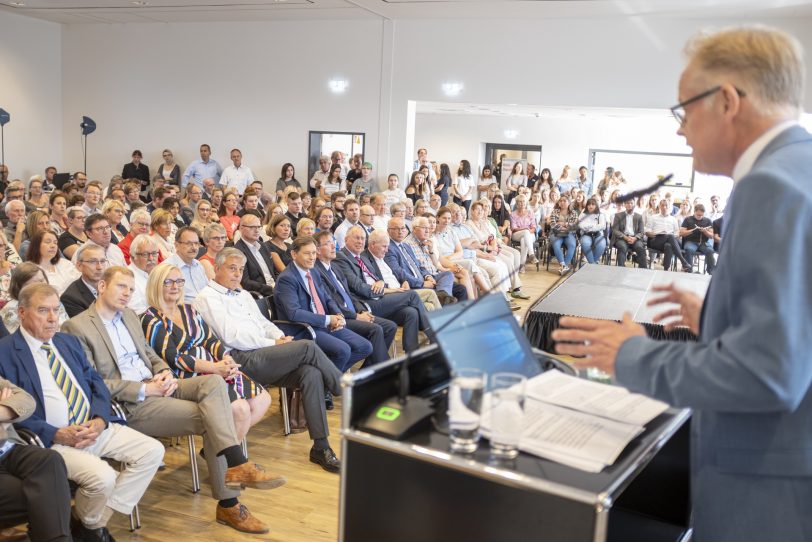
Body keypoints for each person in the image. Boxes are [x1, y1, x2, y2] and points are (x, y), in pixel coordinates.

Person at [553, 27, 812, 542]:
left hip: (766, 490)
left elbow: (768, 376)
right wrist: (718, 317)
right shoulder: (798, 168)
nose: (680, 131)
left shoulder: (769, 185)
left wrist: (631, 354)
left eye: (684, 109)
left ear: (728, 101)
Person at [63, 266, 283, 534]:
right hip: (131, 401)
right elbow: (92, 382)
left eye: (131, 289)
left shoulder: (130, 316)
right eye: (121, 287)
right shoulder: (77, 326)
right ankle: (230, 499)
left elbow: (149, 354)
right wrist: (145, 390)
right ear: (101, 287)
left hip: (159, 385)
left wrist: (163, 371)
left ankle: (236, 466)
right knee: (215, 415)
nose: (127, 294)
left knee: (213, 383)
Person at [1, 283, 164, 542]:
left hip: (93, 426)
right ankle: (92, 530)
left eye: (57, 310)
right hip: (53, 442)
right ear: (21, 312)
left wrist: (100, 419)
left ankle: (88, 525)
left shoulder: (67, 342)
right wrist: (57, 433)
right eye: (43, 311)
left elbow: (96, 382)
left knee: (153, 451)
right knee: (104, 478)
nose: (53, 318)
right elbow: (17, 410)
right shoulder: (6, 352)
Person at [194, 249, 344, 473]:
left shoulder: (243, 294)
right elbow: (231, 336)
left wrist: (278, 337)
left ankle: (321, 447)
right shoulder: (206, 297)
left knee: (310, 373)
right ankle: (345, 389)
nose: (237, 274)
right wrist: (273, 344)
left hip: (263, 355)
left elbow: (264, 323)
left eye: (241, 269)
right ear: (216, 269)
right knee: (307, 347)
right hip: (238, 360)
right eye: (231, 268)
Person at [141, 263, 270, 441]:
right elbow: (173, 357)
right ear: (156, 284)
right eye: (168, 282)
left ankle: (219, 449)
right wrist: (214, 368)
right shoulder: (150, 318)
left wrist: (225, 358)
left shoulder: (189, 309)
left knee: (263, 399)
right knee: (240, 409)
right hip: (187, 376)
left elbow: (210, 339)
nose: (175, 286)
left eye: (179, 281)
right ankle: (232, 460)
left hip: (216, 367)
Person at [274, 235, 373, 375]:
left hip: (323, 324)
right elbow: (294, 313)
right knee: (343, 350)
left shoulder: (313, 271)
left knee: (364, 346)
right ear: (294, 254)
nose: (312, 257)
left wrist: (338, 315)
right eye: (307, 253)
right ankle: (328, 384)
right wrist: (327, 320)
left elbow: (326, 298)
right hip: (303, 329)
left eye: (314, 253)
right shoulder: (287, 279)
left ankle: (324, 381)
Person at [333, 226, 433, 353]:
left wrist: (381, 282)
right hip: (366, 303)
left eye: (363, 238)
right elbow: (359, 287)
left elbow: (377, 278)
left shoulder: (360, 258)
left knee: (411, 312)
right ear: (346, 239)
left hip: (379, 299)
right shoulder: (342, 258)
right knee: (412, 295)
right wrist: (389, 290)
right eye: (357, 238)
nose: (360, 241)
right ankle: (435, 337)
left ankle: (411, 353)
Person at [0, 377, 74, 542]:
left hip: (8, 449)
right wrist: (6, 417)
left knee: (50, 460)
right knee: (47, 496)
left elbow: (26, 400)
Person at [1, 263, 69, 334]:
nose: (40, 286)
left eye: (41, 280)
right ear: (19, 287)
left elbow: (67, 327)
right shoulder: (10, 310)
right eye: (33, 284)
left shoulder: (54, 301)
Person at [60, 243, 108, 318]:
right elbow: (87, 327)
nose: (99, 267)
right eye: (92, 262)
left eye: (102, 261)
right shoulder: (70, 298)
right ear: (79, 266)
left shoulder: (112, 286)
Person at [233, 215, 276, 297]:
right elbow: (245, 282)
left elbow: (274, 271)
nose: (257, 230)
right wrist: (270, 289)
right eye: (252, 227)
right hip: (263, 293)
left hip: (276, 288)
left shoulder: (263, 246)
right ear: (241, 228)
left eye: (258, 227)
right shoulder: (237, 251)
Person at [645, 199, 692, 272]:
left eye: (666, 205)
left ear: (670, 207)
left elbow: (676, 234)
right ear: (659, 206)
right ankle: (683, 261)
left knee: (668, 245)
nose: (664, 207)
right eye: (662, 205)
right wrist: (657, 234)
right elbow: (647, 232)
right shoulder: (653, 217)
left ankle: (666, 269)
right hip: (656, 240)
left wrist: (668, 236)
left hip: (670, 241)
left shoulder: (673, 219)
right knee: (670, 236)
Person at [27, 230, 79, 295]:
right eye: (48, 242)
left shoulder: (65, 263)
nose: (53, 246)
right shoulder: (31, 272)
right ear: (36, 245)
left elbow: (81, 283)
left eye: (55, 243)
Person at [167, 227, 209, 302]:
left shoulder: (198, 265)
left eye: (196, 243)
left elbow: (207, 291)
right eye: (189, 243)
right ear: (176, 245)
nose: (194, 248)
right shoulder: (167, 268)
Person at [680, 202, 716, 274]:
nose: (700, 216)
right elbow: (682, 233)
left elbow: (711, 235)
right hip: (691, 241)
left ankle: (711, 271)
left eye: (701, 215)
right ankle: (689, 270)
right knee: (689, 249)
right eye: (698, 215)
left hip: (703, 242)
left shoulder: (708, 221)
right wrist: (692, 231)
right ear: (694, 212)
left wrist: (705, 231)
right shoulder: (688, 219)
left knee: (710, 251)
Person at [127, 234, 159, 315]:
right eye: (145, 254)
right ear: (133, 256)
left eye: (154, 253)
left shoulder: (158, 273)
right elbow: (137, 314)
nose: (151, 258)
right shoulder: (127, 279)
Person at [611, 198, 647, 268]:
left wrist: (635, 238)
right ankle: (621, 268)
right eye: (627, 203)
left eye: (631, 203)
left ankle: (643, 269)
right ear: (624, 205)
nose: (629, 205)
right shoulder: (618, 215)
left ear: (634, 205)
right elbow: (615, 230)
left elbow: (642, 231)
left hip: (635, 238)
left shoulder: (639, 216)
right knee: (622, 247)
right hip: (622, 238)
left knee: (640, 247)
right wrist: (625, 237)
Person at [549, 196, 578, 274]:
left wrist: (563, 224)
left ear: (568, 203)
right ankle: (563, 265)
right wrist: (563, 227)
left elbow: (574, 225)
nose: (562, 202)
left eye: (564, 201)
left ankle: (565, 265)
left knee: (572, 245)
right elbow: (552, 224)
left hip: (569, 233)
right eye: (560, 201)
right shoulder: (555, 211)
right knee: (556, 244)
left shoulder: (574, 212)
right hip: (556, 233)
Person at [578, 198, 608, 264]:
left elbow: (602, 226)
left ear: (596, 205)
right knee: (585, 244)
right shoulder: (583, 214)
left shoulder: (601, 214)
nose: (590, 206)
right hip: (586, 234)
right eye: (589, 205)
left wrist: (590, 227)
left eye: (593, 204)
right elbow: (580, 224)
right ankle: (593, 264)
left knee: (601, 245)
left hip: (598, 234)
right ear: (586, 206)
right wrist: (594, 226)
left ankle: (591, 263)